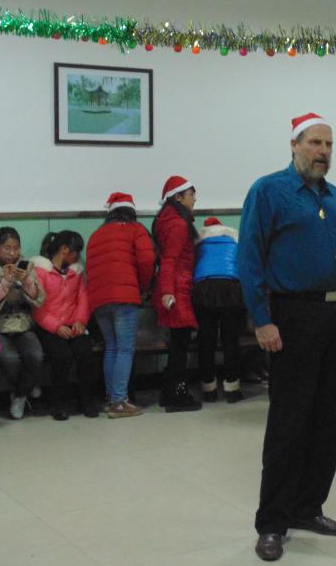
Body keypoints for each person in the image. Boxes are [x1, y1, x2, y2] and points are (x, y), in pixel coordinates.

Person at [239, 112, 336, 562]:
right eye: (315, 143)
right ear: (294, 145)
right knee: (289, 423)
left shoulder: (332, 196)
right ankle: (272, 523)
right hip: (293, 316)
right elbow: (249, 258)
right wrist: (262, 319)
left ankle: (308, 507)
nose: (323, 152)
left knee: (333, 419)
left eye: (329, 144)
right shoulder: (268, 191)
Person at [85, 194, 155, 418]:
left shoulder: (96, 235)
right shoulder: (135, 230)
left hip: (99, 300)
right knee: (125, 348)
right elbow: (147, 260)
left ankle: (111, 398)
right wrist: (143, 287)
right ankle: (119, 402)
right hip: (124, 297)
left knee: (112, 348)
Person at [0, 227, 44, 420]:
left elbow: (39, 297)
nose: (12, 253)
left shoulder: (26, 266)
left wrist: (27, 282)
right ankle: (26, 387)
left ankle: (20, 394)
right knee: (10, 359)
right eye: (7, 248)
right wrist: (5, 283)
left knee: (35, 355)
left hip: (23, 324)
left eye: (16, 248)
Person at [31, 230, 95, 416]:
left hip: (73, 324)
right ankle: (58, 403)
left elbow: (83, 298)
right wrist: (56, 327)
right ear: (64, 249)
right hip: (49, 327)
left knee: (86, 354)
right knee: (62, 356)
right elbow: (37, 308)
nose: (77, 257)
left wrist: (80, 321)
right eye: (76, 252)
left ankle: (87, 401)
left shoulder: (76, 272)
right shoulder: (40, 271)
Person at [152, 176, 202, 412]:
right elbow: (170, 260)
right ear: (178, 197)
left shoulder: (165, 221)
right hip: (176, 290)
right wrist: (168, 292)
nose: (195, 199)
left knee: (177, 345)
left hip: (172, 287)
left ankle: (168, 392)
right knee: (180, 346)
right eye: (191, 194)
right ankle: (177, 395)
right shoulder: (179, 225)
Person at [192, 216, 246, 404]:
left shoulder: (198, 242)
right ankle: (232, 388)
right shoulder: (234, 239)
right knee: (230, 339)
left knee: (206, 340)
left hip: (203, 287)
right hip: (231, 286)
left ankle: (209, 389)